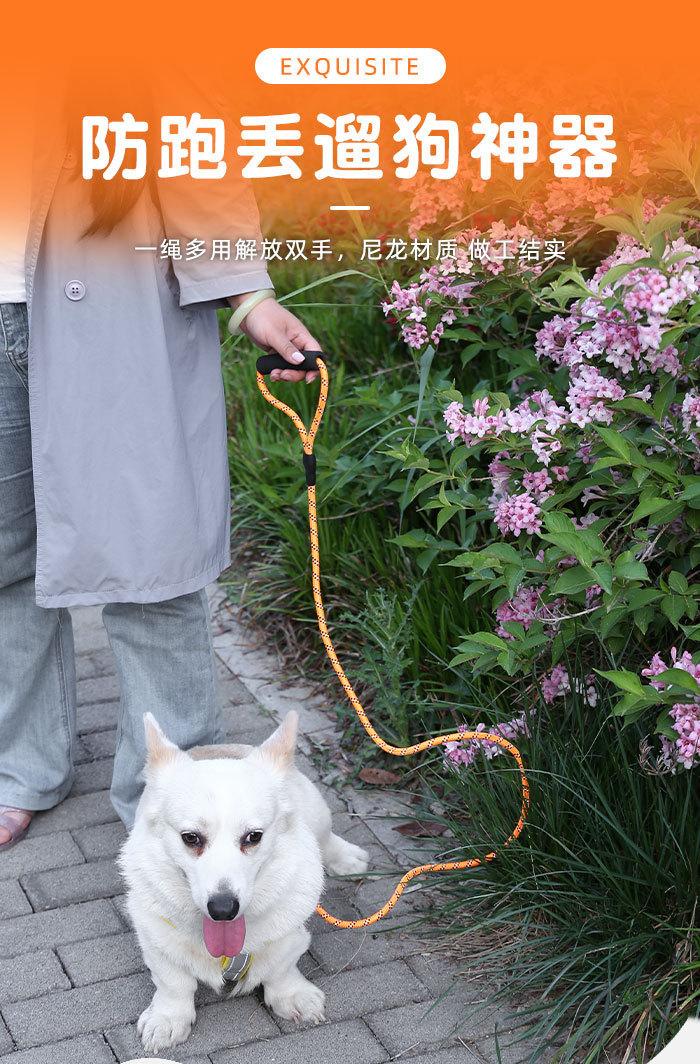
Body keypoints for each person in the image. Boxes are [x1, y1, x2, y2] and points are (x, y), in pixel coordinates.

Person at [0, 79, 319, 850]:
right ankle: (22, 766)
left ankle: (181, 812)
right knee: (4, 557)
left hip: (111, 305)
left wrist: (247, 296)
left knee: (153, 565)